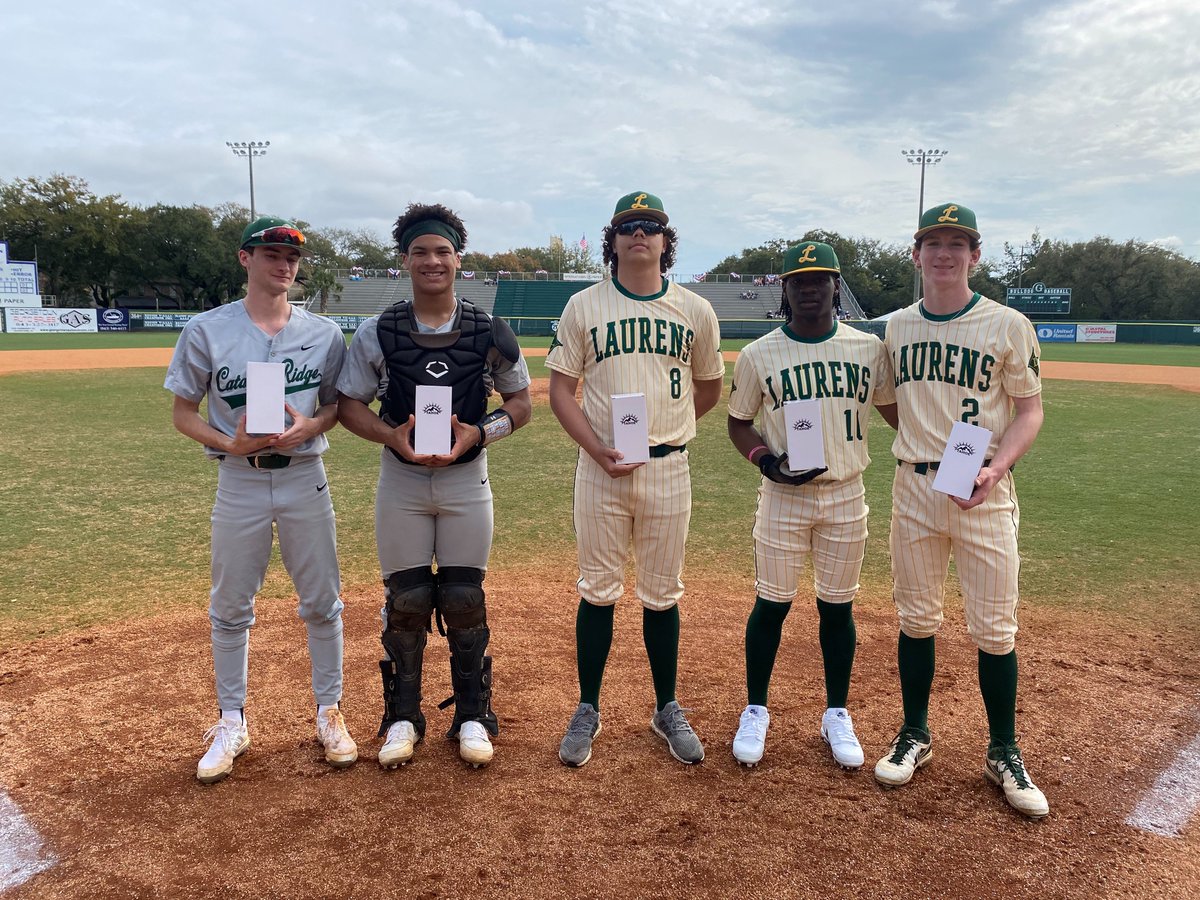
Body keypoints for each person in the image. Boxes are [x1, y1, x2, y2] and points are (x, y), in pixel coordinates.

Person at [337, 202, 531, 769]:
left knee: (465, 599)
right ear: (405, 259)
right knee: (408, 601)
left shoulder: (489, 330)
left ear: (458, 259)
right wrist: (391, 436)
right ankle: (403, 716)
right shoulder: (378, 331)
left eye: (442, 251)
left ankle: (473, 714)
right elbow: (349, 405)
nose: (432, 261)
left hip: (466, 480)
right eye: (420, 251)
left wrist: (480, 433)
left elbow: (521, 404)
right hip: (402, 481)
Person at [164, 216, 356, 784]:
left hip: (304, 476)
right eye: (272, 254)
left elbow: (335, 408)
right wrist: (231, 443)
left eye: (292, 257)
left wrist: (311, 426)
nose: (284, 265)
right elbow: (182, 413)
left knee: (322, 601)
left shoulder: (324, 333)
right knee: (230, 605)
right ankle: (232, 721)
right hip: (239, 480)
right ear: (245, 258)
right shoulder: (207, 329)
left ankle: (329, 712)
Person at [875, 202, 1048, 819]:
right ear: (916, 254)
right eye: (933, 243)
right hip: (915, 489)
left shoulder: (1007, 324)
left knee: (995, 629)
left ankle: (1003, 749)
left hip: (983, 488)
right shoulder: (896, 328)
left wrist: (994, 468)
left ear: (974, 255)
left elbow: (1029, 411)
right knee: (916, 618)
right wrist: (921, 442)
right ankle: (914, 733)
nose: (944, 254)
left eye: (957, 244)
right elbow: (889, 403)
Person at [547, 191, 725, 767]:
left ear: (666, 241)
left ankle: (666, 706)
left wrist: (670, 432)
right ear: (614, 240)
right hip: (601, 469)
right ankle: (588, 705)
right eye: (628, 226)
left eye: (651, 226)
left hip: (668, 466)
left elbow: (708, 388)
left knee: (662, 592)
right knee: (598, 589)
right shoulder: (584, 305)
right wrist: (596, 449)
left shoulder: (695, 309)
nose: (640, 234)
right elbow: (560, 391)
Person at [726, 241, 896, 768]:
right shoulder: (759, 354)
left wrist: (965, 449)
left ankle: (836, 712)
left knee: (837, 607)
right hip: (783, 496)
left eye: (819, 279)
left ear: (835, 286)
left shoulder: (868, 349)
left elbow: (900, 415)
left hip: (846, 494)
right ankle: (756, 708)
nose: (808, 289)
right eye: (797, 281)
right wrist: (766, 461)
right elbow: (738, 422)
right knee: (771, 604)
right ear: (785, 289)